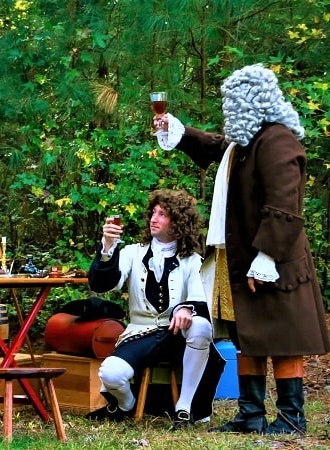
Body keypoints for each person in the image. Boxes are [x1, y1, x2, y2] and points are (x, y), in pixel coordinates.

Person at [154, 63, 330, 435]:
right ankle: (250, 415)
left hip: (273, 259)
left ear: (252, 100)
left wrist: (266, 257)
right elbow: (216, 146)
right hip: (240, 259)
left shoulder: (277, 141)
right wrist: (179, 132)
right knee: (245, 333)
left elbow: (285, 204)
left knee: (282, 340)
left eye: (232, 100)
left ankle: (289, 417)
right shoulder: (247, 141)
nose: (227, 107)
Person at [86, 189, 216, 429]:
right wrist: (108, 247)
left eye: (163, 214)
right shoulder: (131, 253)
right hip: (140, 332)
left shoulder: (192, 259)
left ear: (178, 222)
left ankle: (184, 409)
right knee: (111, 374)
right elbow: (103, 285)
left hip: (178, 335)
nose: (154, 219)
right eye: (153, 213)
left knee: (200, 325)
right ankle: (127, 405)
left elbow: (201, 298)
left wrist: (186, 308)